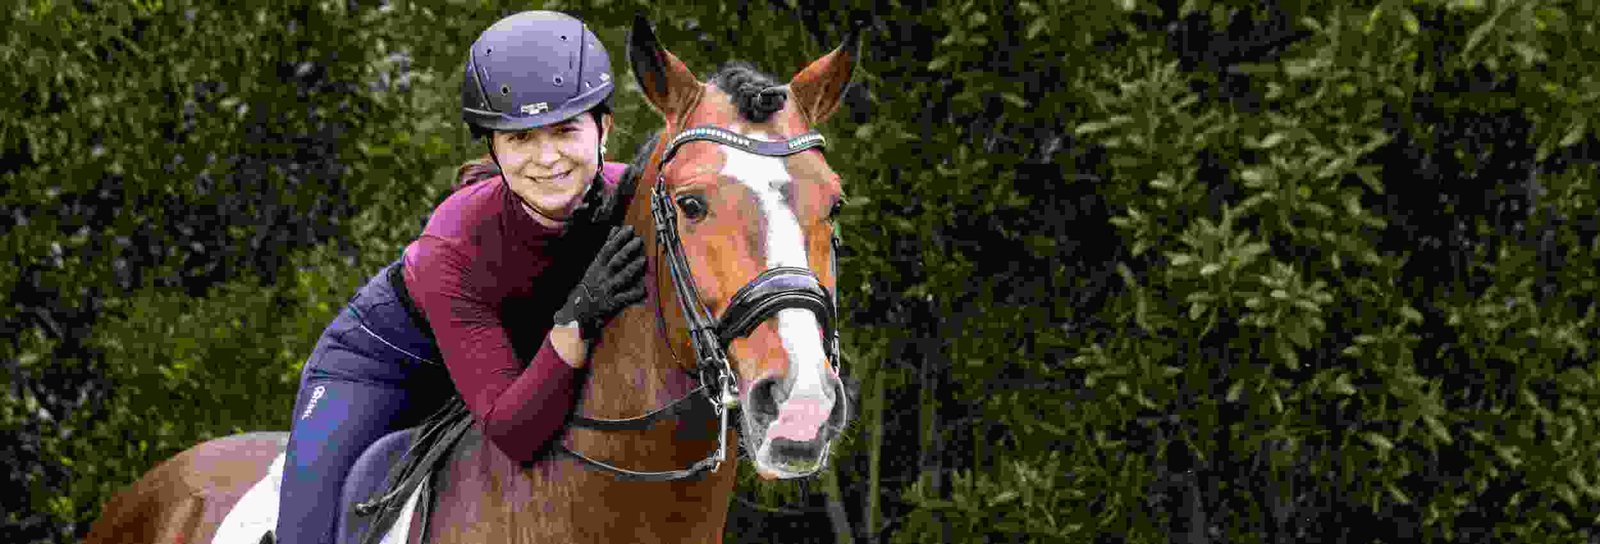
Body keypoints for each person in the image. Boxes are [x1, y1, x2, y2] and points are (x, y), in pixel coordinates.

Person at [273, 11, 645, 544]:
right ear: (492, 148)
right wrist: (579, 318)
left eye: (566, 130)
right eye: (520, 138)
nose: (547, 158)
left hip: (517, 362)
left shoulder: (632, 197)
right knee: (306, 534)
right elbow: (516, 435)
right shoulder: (452, 242)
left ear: (603, 128)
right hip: (388, 367)